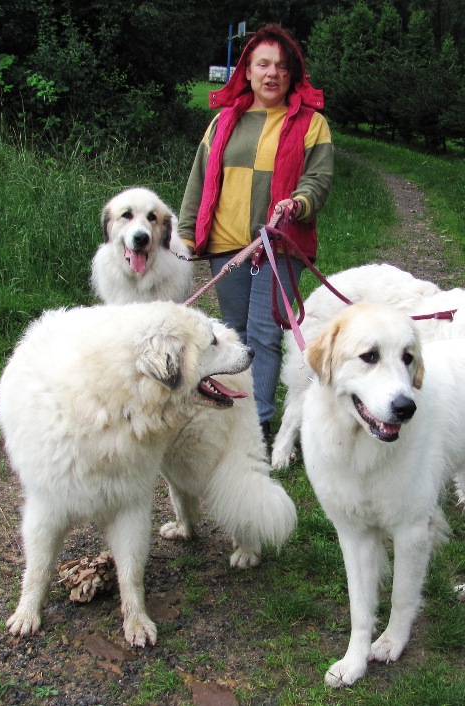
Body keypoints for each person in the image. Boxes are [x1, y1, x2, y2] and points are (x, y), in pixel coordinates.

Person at [177, 24, 334, 442]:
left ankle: (260, 424)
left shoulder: (312, 123)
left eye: (281, 67)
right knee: (235, 333)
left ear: (292, 74)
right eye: (263, 64)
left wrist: (297, 203)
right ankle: (239, 415)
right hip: (228, 246)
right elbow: (199, 181)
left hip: (278, 243)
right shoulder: (223, 122)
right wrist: (187, 235)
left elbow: (317, 180)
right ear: (246, 71)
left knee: (265, 333)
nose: (272, 73)